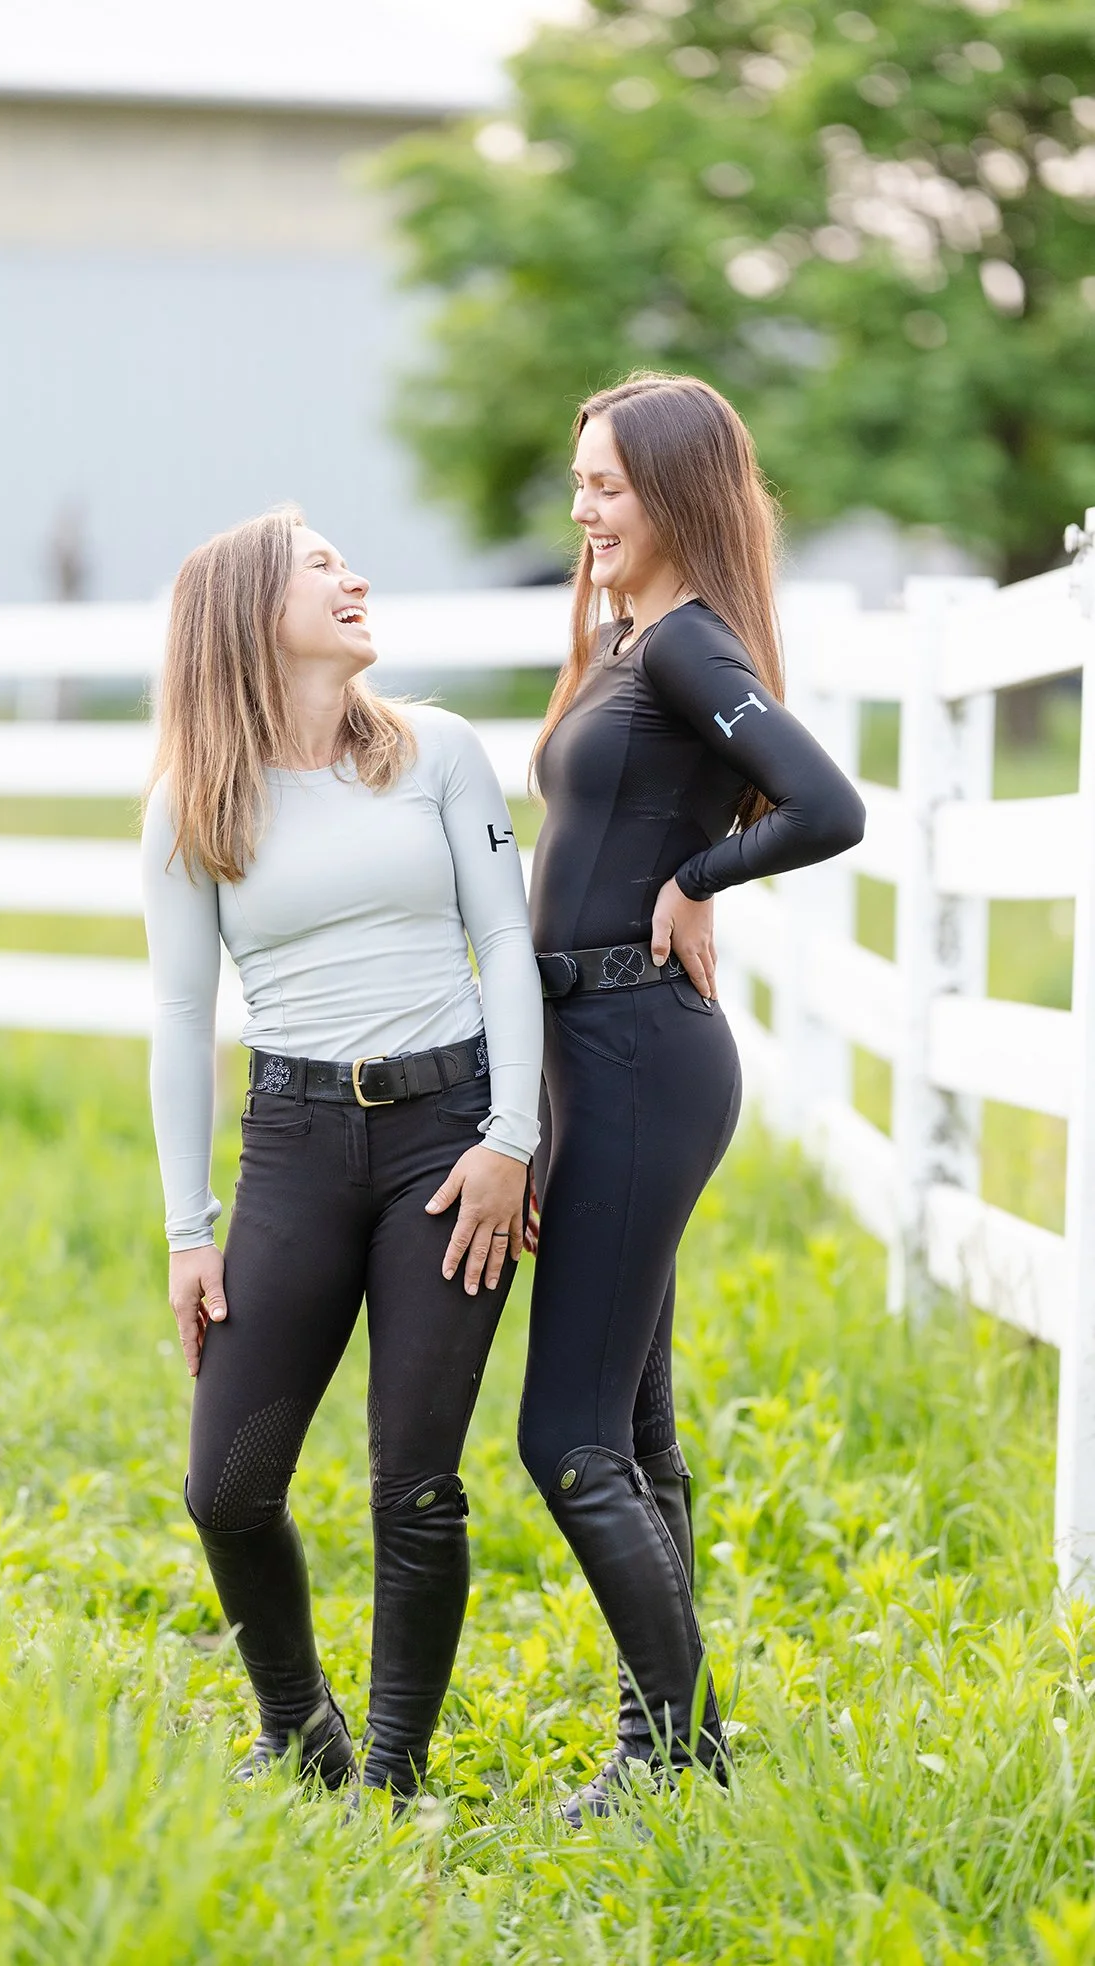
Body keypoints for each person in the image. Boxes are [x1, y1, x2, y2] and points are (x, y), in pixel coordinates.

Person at [141, 507, 541, 1804]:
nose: (354, 577)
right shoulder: (193, 802)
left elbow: (506, 945)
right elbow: (180, 1019)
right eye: (321, 566)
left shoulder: (439, 752)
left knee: (414, 1481)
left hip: (449, 1145)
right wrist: (187, 1229)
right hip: (294, 1148)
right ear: (253, 615)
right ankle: (299, 1725)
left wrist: (511, 1137)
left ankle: (392, 1778)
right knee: (226, 1486)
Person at [521, 373, 865, 1825]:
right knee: (633, 1431)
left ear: (673, 494)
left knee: (567, 1437)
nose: (583, 510)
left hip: (639, 1054)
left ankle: (676, 1755)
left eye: (606, 486)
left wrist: (695, 878)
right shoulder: (628, 639)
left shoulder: (686, 645)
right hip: (591, 1050)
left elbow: (827, 804)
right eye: (581, 482)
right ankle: (670, 1746)